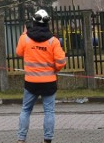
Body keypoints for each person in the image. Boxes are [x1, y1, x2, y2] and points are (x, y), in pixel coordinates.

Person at [16, 9, 67, 143]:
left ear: (33, 22)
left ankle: (21, 139)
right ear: (47, 24)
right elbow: (61, 62)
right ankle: (47, 139)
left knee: (26, 110)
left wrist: (23, 35)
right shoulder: (53, 41)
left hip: (31, 82)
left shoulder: (25, 38)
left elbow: (19, 53)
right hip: (49, 82)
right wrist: (55, 69)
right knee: (49, 112)